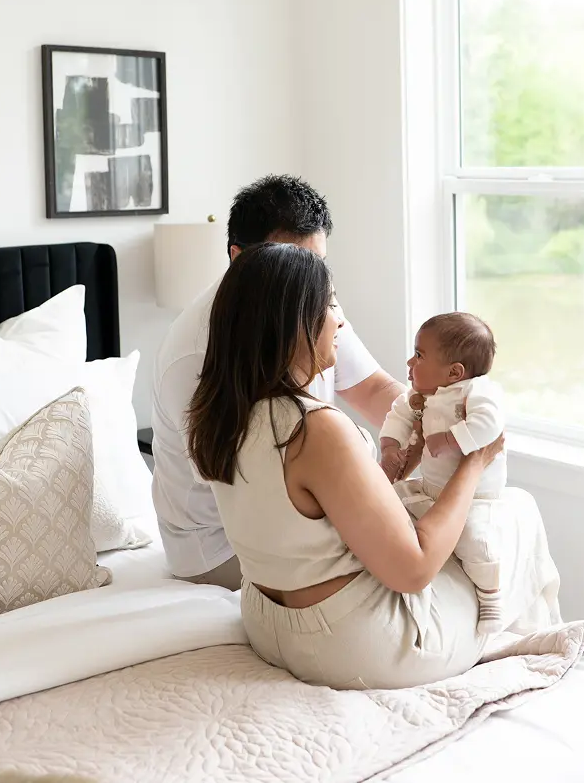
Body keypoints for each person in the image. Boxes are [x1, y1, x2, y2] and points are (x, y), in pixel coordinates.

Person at [186, 242, 561, 690]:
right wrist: (473, 463)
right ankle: (543, 653)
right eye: (329, 304)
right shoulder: (313, 429)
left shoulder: (218, 414)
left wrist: (383, 468)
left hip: (268, 623)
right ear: (293, 324)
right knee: (517, 513)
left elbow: (304, 517)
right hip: (353, 644)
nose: (339, 319)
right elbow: (413, 570)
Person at [151, 175, 404, 590]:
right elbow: (244, 485)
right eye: (291, 261)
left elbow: (374, 390)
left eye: (317, 265)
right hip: (222, 546)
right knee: (403, 566)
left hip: (305, 507)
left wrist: (429, 420)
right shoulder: (194, 353)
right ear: (238, 257)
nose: (308, 281)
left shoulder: (312, 302)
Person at [379, 312, 507, 634]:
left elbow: (490, 424)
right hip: (430, 487)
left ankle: (490, 595)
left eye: (419, 355)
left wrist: (449, 440)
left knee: (476, 541)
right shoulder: (422, 396)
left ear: (454, 372)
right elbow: (398, 415)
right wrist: (390, 448)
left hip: (474, 498)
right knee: (390, 499)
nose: (410, 361)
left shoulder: (476, 392)